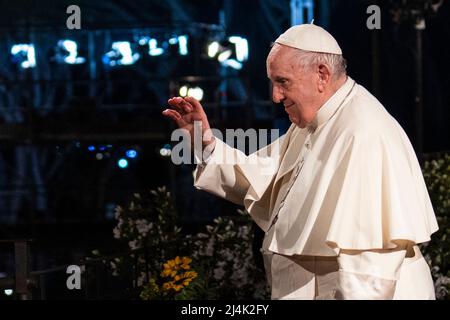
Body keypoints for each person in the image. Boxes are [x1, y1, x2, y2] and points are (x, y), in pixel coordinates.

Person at [162, 24, 438, 300]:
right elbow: (261, 177)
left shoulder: (362, 132)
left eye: (283, 82)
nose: (275, 96)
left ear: (321, 74)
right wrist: (204, 142)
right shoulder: (316, 121)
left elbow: (370, 268)